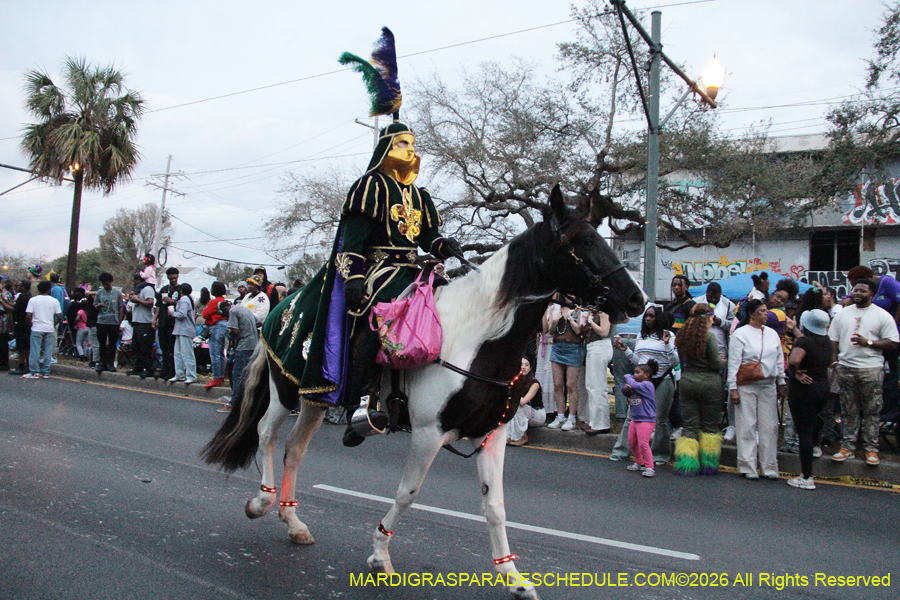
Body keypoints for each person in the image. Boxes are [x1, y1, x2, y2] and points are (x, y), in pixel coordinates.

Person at [261, 116, 461, 448]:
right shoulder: (370, 186)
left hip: (412, 270)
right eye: (402, 143)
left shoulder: (420, 196)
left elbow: (428, 237)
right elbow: (352, 243)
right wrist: (354, 279)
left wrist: (443, 245)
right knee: (375, 318)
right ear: (386, 148)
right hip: (377, 270)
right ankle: (358, 405)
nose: (409, 150)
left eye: (412, 144)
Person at [828, 279, 900, 466]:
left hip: (871, 368)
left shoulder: (882, 316)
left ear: (872, 294)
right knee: (848, 410)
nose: (857, 293)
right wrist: (835, 361)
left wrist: (868, 343)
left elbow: (893, 343)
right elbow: (833, 340)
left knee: (871, 411)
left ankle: (871, 449)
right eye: (855, 290)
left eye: (862, 290)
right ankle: (847, 447)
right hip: (846, 367)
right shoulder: (842, 314)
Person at [611, 306, 679, 464]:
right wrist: (626, 350)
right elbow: (639, 361)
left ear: (659, 318)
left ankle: (660, 454)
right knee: (632, 417)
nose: (648, 319)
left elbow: (674, 361)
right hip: (643, 381)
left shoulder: (668, 335)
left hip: (663, 379)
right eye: (646, 316)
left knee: (660, 419)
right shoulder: (641, 336)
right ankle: (622, 450)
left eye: (652, 316)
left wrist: (668, 344)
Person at [727, 299, 786, 480]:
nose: (766, 314)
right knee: (747, 425)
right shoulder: (740, 334)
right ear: (752, 314)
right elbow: (734, 362)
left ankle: (769, 466)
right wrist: (732, 387)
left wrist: (782, 381)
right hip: (746, 384)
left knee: (769, 426)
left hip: (768, 384)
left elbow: (779, 358)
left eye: (766, 311)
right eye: (762, 311)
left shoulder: (772, 334)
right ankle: (747, 465)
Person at [673, 304, 726, 476]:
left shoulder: (683, 336)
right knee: (709, 425)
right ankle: (708, 464)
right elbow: (716, 364)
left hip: (687, 381)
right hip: (709, 383)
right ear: (709, 317)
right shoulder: (708, 337)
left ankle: (687, 464)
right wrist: (724, 361)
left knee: (689, 425)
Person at [785, 309, 832, 490]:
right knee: (811, 425)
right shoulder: (826, 342)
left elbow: (795, 359)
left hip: (804, 390)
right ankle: (815, 448)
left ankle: (806, 476)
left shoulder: (804, 342)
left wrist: (794, 372)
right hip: (822, 387)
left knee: (803, 431)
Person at [545, 295, 587, 431]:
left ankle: (572, 417)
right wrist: (555, 321)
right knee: (557, 384)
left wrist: (568, 317)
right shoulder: (555, 307)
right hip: (557, 346)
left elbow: (578, 330)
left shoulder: (579, 309)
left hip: (573, 347)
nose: (572, 296)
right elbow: (550, 331)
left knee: (571, 385)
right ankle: (560, 415)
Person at [216, 301, 259, 413]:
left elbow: (234, 330)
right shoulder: (244, 309)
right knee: (249, 375)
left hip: (244, 346)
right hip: (254, 344)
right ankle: (249, 401)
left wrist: (231, 333)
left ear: (225, 309)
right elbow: (258, 322)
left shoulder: (232, 311)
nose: (225, 316)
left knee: (238, 375)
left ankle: (233, 403)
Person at [622, 359, 659, 478]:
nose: (634, 375)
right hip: (635, 418)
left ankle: (649, 466)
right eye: (634, 373)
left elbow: (633, 384)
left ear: (646, 375)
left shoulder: (647, 385)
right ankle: (639, 462)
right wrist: (625, 388)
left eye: (637, 373)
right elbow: (627, 392)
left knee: (643, 443)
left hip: (646, 420)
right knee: (632, 442)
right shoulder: (636, 386)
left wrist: (627, 377)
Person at [583, 307, 613, 434]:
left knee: (598, 386)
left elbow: (604, 332)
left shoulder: (604, 312)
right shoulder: (595, 313)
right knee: (590, 385)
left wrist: (590, 322)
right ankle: (593, 421)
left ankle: (601, 424)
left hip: (600, 347)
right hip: (592, 347)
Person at [23, 280, 61, 379]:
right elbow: (59, 316)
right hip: (49, 328)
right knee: (48, 351)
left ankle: (34, 372)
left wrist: (31, 323)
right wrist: (53, 324)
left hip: (36, 328)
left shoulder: (33, 300)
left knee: (35, 350)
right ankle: (46, 372)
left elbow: (28, 315)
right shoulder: (54, 301)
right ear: (49, 289)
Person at [506, 356, 545, 446]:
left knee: (517, 405)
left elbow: (523, 401)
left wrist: (512, 391)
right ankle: (509, 436)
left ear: (530, 368)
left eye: (526, 365)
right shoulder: (515, 380)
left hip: (536, 414)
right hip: (523, 412)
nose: (523, 367)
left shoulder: (534, 383)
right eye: (521, 365)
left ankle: (521, 436)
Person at [127, 272, 157, 378]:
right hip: (137, 322)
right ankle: (138, 367)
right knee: (136, 346)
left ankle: (149, 368)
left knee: (145, 347)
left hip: (145, 323)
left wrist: (138, 300)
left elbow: (150, 303)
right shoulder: (139, 291)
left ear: (138, 280)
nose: (133, 283)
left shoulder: (147, 289)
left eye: (134, 280)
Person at [94, 272, 124, 373]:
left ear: (110, 281)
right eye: (103, 283)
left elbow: (121, 307)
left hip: (113, 322)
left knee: (112, 344)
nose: (105, 285)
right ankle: (102, 363)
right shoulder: (99, 293)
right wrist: (98, 306)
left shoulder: (117, 293)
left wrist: (119, 321)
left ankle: (110, 363)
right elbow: (95, 305)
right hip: (102, 321)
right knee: (102, 343)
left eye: (106, 283)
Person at [202, 281, 229, 389]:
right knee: (221, 353)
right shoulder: (224, 301)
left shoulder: (214, 302)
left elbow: (204, 314)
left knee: (214, 354)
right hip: (224, 325)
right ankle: (221, 376)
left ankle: (216, 377)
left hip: (215, 327)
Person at [169, 283, 197, 384]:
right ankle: (179, 374)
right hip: (180, 329)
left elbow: (182, 314)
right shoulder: (185, 299)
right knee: (178, 353)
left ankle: (191, 375)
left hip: (185, 330)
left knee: (187, 353)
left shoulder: (184, 299)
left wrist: (172, 313)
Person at [156, 267, 180, 380]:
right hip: (162, 322)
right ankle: (165, 369)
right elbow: (158, 306)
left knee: (172, 348)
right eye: (171, 278)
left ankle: (173, 371)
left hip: (173, 323)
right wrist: (155, 319)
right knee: (164, 348)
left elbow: (184, 305)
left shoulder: (180, 290)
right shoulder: (164, 289)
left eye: (175, 277)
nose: (173, 280)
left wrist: (173, 302)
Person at [10, 280, 32, 375]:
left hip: (23, 324)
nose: (17, 287)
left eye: (19, 286)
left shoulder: (26, 299)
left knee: (23, 346)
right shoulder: (21, 297)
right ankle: (25, 365)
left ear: (24, 287)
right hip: (19, 324)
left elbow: (15, 309)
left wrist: (3, 302)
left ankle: (23, 365)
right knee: (21, 345)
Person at [0, 279, 15, 371]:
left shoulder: (6, 295)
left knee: (2, 344)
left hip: (3, 322)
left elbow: (7, 309)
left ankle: (4, 363)